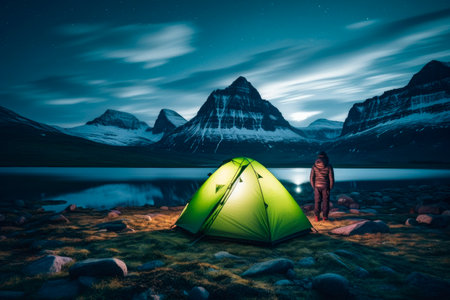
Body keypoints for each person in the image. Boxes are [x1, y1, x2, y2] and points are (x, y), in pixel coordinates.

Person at [310, 151, 334, 221]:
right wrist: (330, 187)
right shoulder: (329, 166)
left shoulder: (314, 166)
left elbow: (311, 178)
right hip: (326, 186)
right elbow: (331, 178)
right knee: (325, 202)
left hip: (317, 186)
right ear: (326, 157)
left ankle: (317, 217)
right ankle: (325, 217)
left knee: (317, 201)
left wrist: (313, 187)